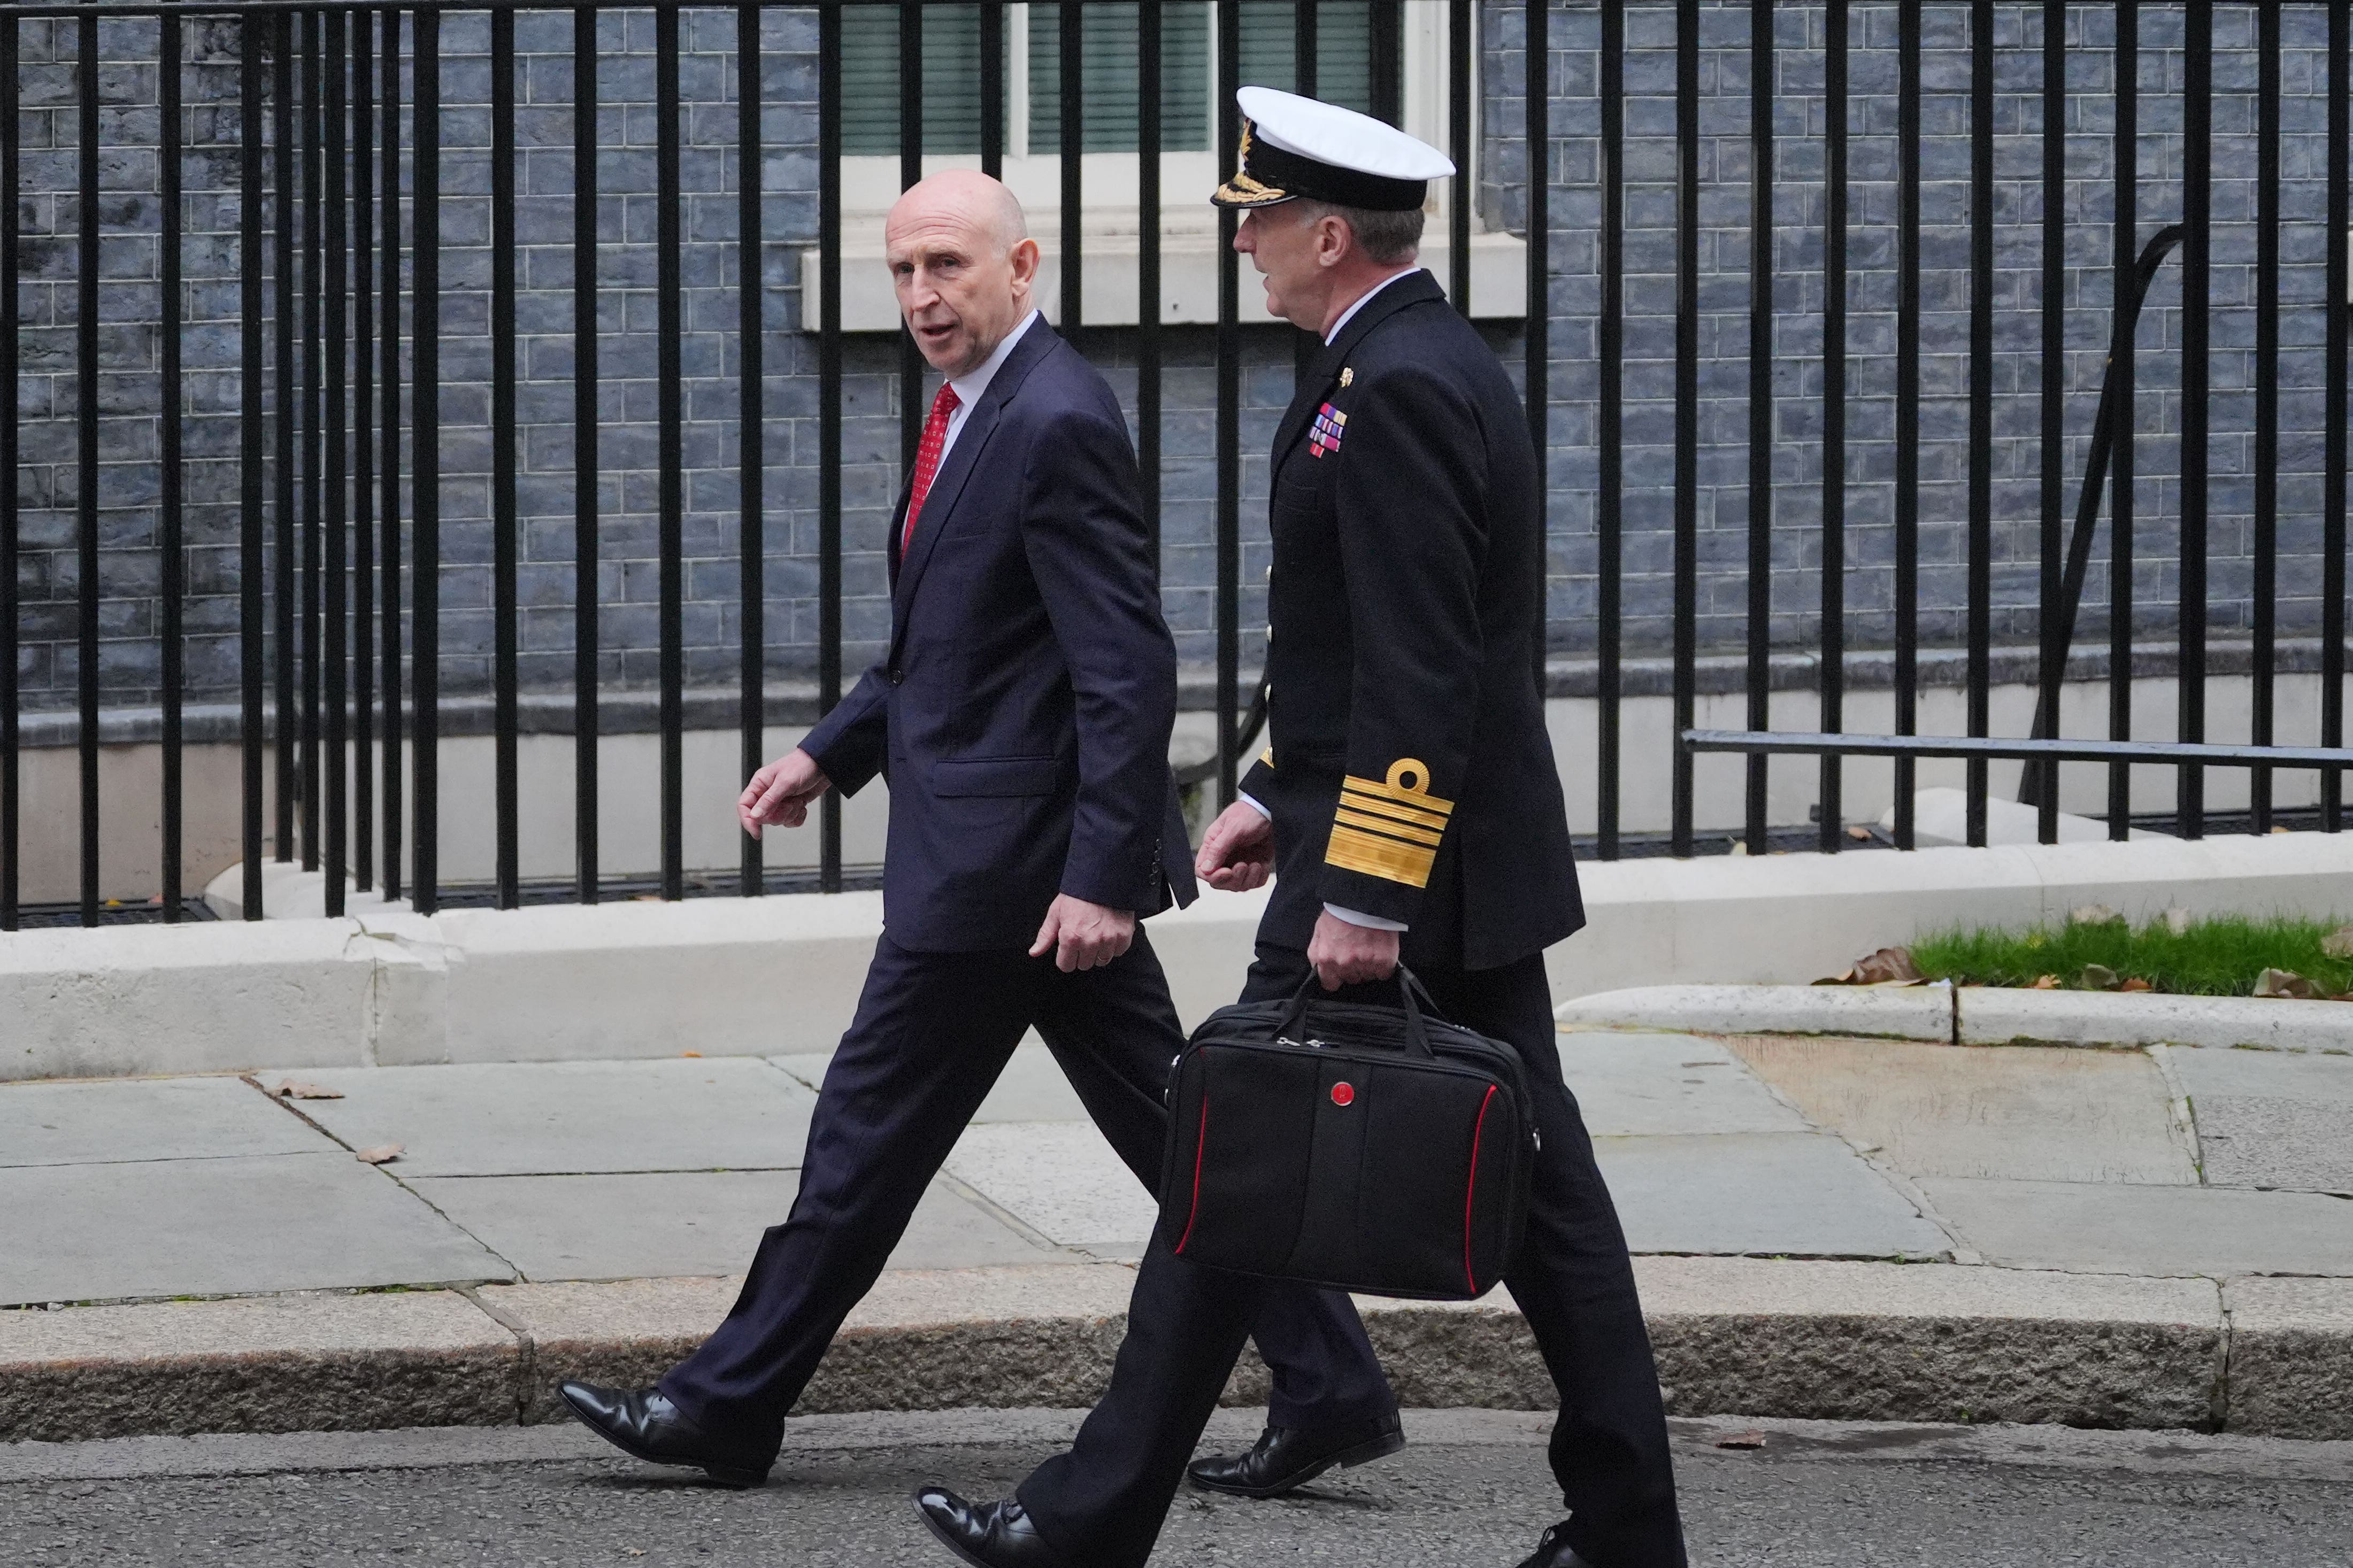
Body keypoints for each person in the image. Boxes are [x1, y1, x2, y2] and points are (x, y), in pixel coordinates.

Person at [912, 92, 1688, 1568]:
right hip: (1417, 846)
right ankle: (1627, 1525)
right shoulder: (1389, 357)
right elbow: (1371, 640)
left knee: (1236, 1155)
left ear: (1329, 235)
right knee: (1527, 1202)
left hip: (1405, 870)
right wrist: (1280, 780)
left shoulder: (1389, 382)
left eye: (1263, 221)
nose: (1249, 244)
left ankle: (1087, 1518)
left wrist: (1370, 889)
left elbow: (1425, 659)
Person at [558, 169, 1403, 1497]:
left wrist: (1103, 878)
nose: (920, 296)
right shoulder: (974, 409)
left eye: (947, 265)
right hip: (1015, 871)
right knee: (1186, 1136)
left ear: (1025, 267)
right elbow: (949, 649)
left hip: (1007, 882)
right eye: (901, 272)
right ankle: (1333, 1382)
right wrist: (824, 758)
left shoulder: (1054, 414)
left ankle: (727, 1402)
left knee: (861, 1144)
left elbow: (1123, 669)